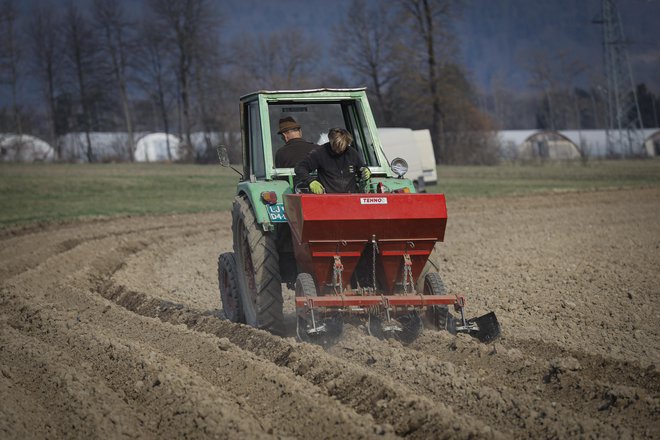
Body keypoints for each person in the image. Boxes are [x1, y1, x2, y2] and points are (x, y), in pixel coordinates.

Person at [295, 127, 371, 194]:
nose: (340, 150)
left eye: (343, 146)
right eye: (337, 146)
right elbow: (300, 168)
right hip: (328, 198)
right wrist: (310, 181)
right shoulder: (320, 153)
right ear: (331, 141)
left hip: (350, 197)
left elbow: (361, 169)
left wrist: (365, 171)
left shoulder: (351, 153)